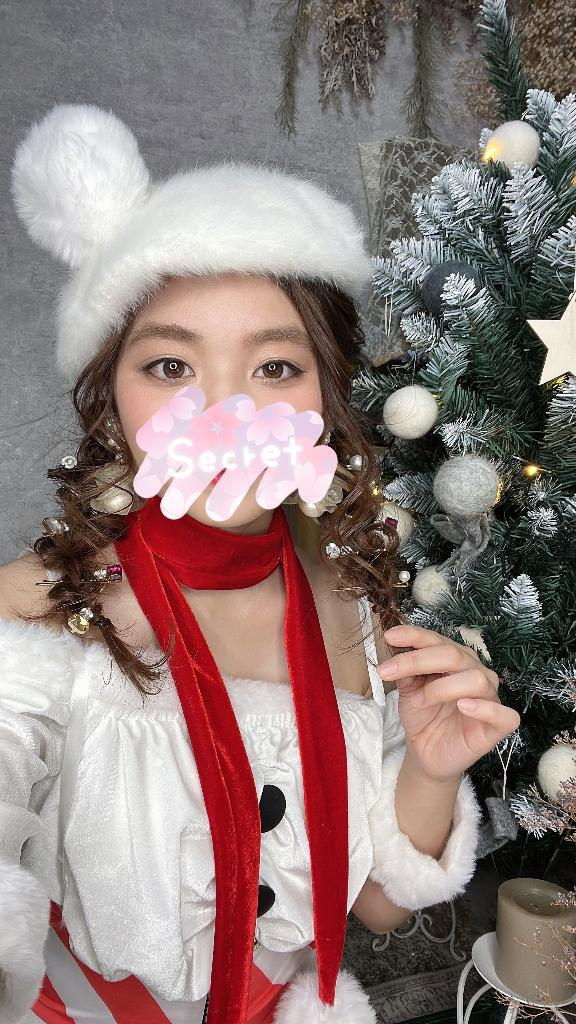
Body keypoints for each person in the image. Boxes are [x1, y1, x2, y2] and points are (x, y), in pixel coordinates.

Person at [0, 103, 521, 1024]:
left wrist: (434, 768)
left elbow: (379, 906)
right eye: (170, 367)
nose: (222, 411)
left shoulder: (354, 600)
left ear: (325, 395)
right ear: (109, 395)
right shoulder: (35, 609)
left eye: (274, 368)